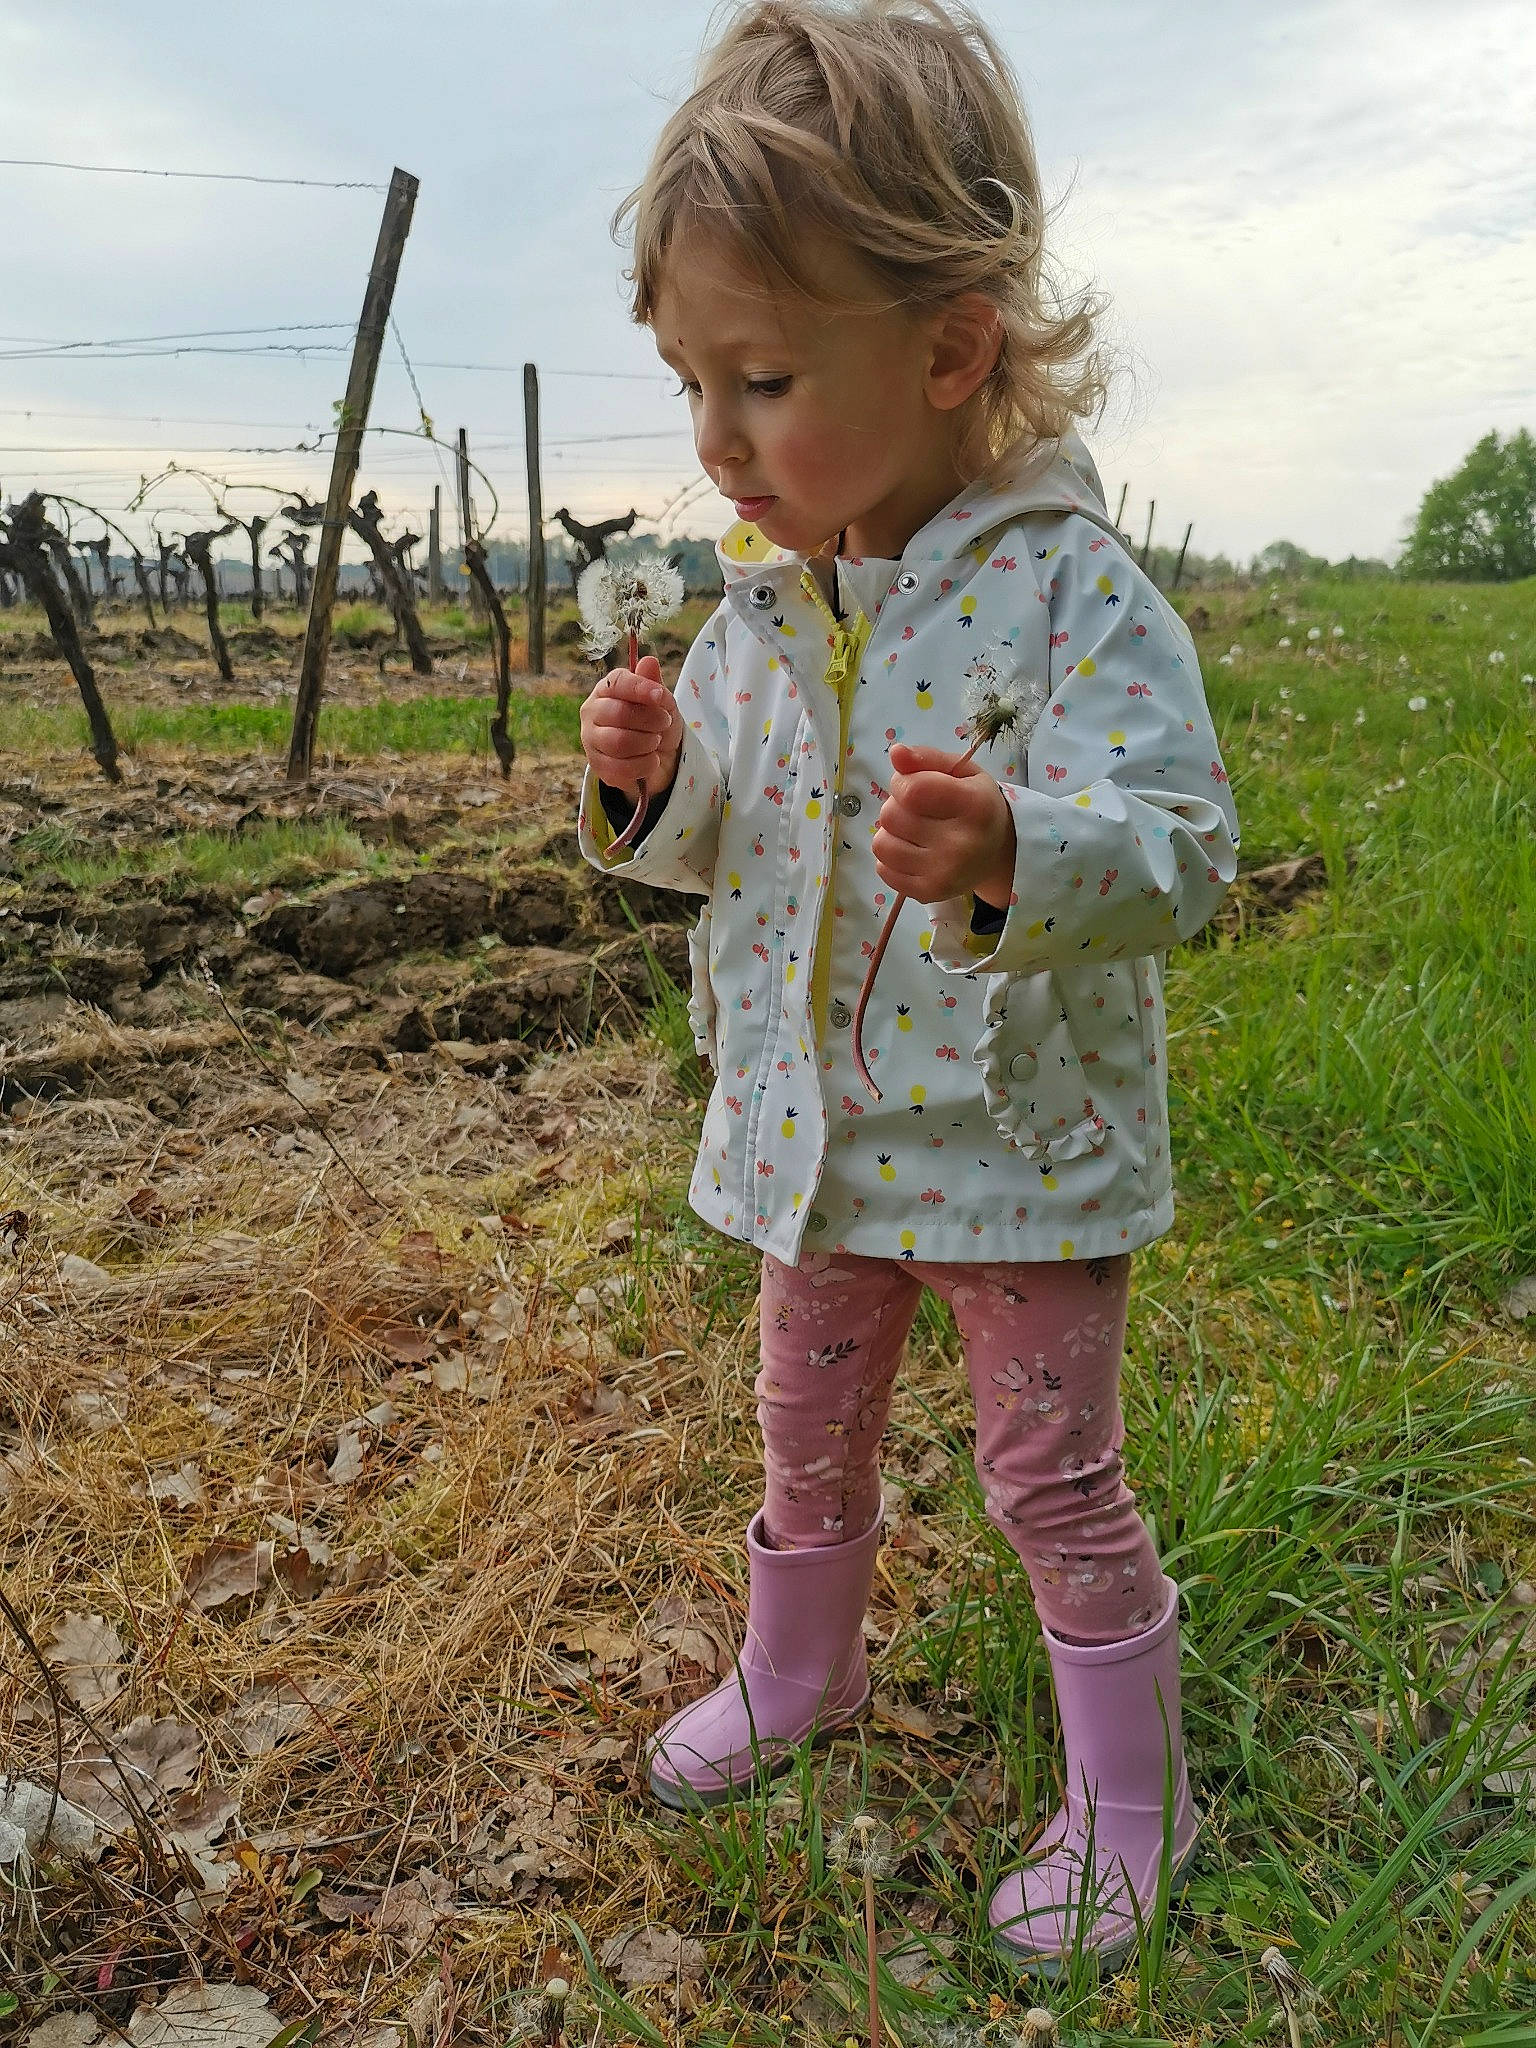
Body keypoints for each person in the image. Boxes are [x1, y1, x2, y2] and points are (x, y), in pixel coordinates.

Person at [577, 0, 1240, 1977]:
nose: (717, 440)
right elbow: (728, 844)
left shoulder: (1069, 592)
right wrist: (654, 787)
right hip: (815, 1145)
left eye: (766, 377)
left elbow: (1185, 848)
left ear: (953, 350)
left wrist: (1017, 848)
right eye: (693, 381)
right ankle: (804, 1671)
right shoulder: (758, 609)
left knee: (1050, 1475)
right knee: (803, 1435)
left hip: (1016, 1150)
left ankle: (1131, 1791)